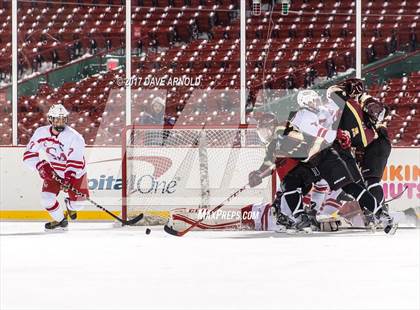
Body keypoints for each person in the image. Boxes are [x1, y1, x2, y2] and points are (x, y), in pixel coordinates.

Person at [248, 90, 378, 232]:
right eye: (262, 133)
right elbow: (270, 160)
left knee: (298, 187)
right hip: (309, 165)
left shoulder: (285, 128)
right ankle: (302, 215)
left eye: (265, 131)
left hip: (314, 161)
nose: (264, 135)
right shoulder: (285, 131)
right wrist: (259, 174)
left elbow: (298, 140)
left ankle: (302, 215)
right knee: (294, 188)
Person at [23, 104, 89, 231]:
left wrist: (68, 178)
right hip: (54, 172)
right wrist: (41, 166)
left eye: (63, 119)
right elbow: (28, 155)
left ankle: (70, 206)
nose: (60, 122)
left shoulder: (75, 137)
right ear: (50, 119)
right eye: (57, 119)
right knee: (46, 199)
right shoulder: (40, 133)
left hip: (76, 173)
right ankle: (60, 221)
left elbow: (75, 160)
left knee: (79, 204)